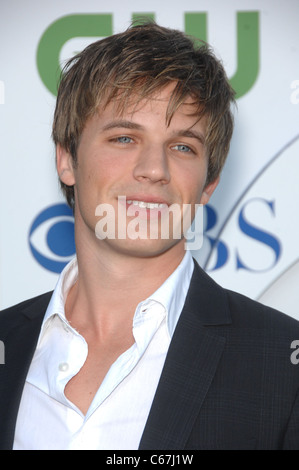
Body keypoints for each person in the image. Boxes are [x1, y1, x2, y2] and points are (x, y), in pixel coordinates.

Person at [1, 21, 299, 451]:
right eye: (124, 137)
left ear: (208, 185)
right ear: (67, 160)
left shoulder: (282, 367)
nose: (154, 169)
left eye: (183, 147)